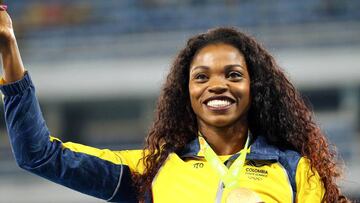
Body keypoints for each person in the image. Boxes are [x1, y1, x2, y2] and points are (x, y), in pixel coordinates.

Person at [0, 5, 348, 203]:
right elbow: (39, 156)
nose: (217, 85)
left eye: (233, 74)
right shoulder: (150, 171)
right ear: (187, 93)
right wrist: (9, 51)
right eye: (201, 77)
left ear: (255, 88)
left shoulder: (295, 170)